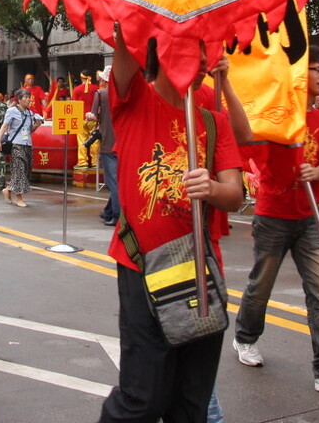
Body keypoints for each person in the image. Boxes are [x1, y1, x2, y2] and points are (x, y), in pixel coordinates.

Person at [99, 29, 245, 423]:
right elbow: (125, 32)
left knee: (191, 405)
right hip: (143, 267)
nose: (200, 64)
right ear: (161, 52)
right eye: (190, 52)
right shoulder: (134, 101)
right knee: (142, 399)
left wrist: (212, 188)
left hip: (200, 271)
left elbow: (236, 194)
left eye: (205, 54)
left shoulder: (213, 122)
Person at [232, 46, 319, 393]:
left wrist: (313, 172)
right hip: (273, 216)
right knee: (261, 286)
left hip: (309, 217)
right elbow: (248, 146)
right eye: (316, 69)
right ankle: (244, 337)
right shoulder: (273, 116)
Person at [0, 89, 41, 208]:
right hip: (16, 144)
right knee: (19, 170)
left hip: (27, 144)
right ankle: (19, 198)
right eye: (25, 97)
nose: (28, 99)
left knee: (26, 171)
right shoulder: (11, 111)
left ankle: (8, 189)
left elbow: (29, 131)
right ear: (19, 99)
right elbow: (4, 126)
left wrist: (36, 126)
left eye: (29, 97)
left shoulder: (30, 113)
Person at [89, 72, 118, 226]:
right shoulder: (124, 95)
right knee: (118, 179)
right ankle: (108, 212)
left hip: (108, 143)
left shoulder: (101, 94)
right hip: (124, 143)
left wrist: (89, 115)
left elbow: (93, 116)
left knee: (112, 181)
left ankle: (117, 214)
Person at [71, 69, 99, 168]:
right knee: (94, 140)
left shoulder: (77, 89)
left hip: (81, 119)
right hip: (93, 118)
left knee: (82, 140)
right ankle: (95, 162)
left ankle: (83, 162)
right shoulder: (96, 89)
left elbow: (73, 104)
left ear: (81, 77)